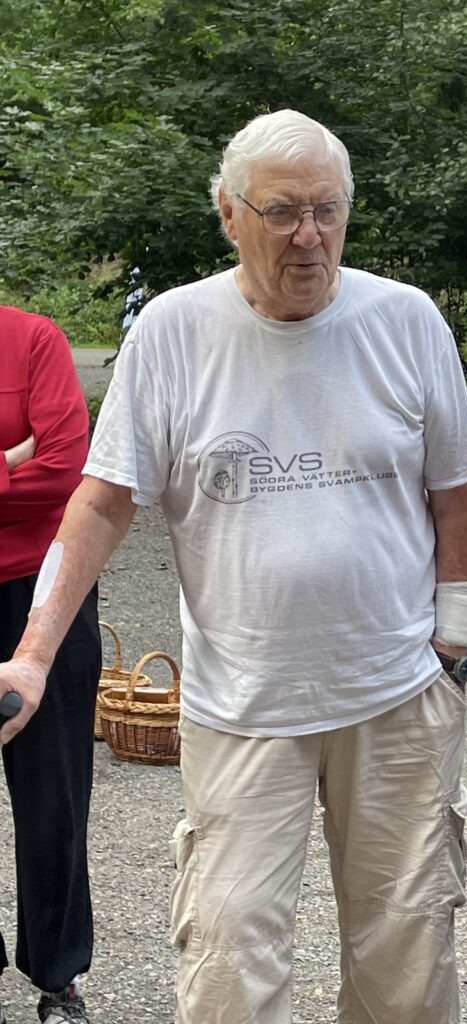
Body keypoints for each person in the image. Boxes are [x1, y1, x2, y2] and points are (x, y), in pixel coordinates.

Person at [0, 109, 467, 1024]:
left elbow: (458, 497)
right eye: (283, 212)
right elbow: (101, 503)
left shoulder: (407, 320)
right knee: (228, 963)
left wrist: (453, 648)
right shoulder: (173, 331)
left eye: (328, 211)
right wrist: (32, 656)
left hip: (396, 696)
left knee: (408, 956)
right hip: (242, 705)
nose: (310, 236)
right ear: (229, 213)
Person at [0, 305, 101, 1024]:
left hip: (42, 594)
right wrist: (9, 463)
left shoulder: (33, 339)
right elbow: (33, 470)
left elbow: (64, 469)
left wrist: (26, 468)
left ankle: (58, 976)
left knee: (53, 793)